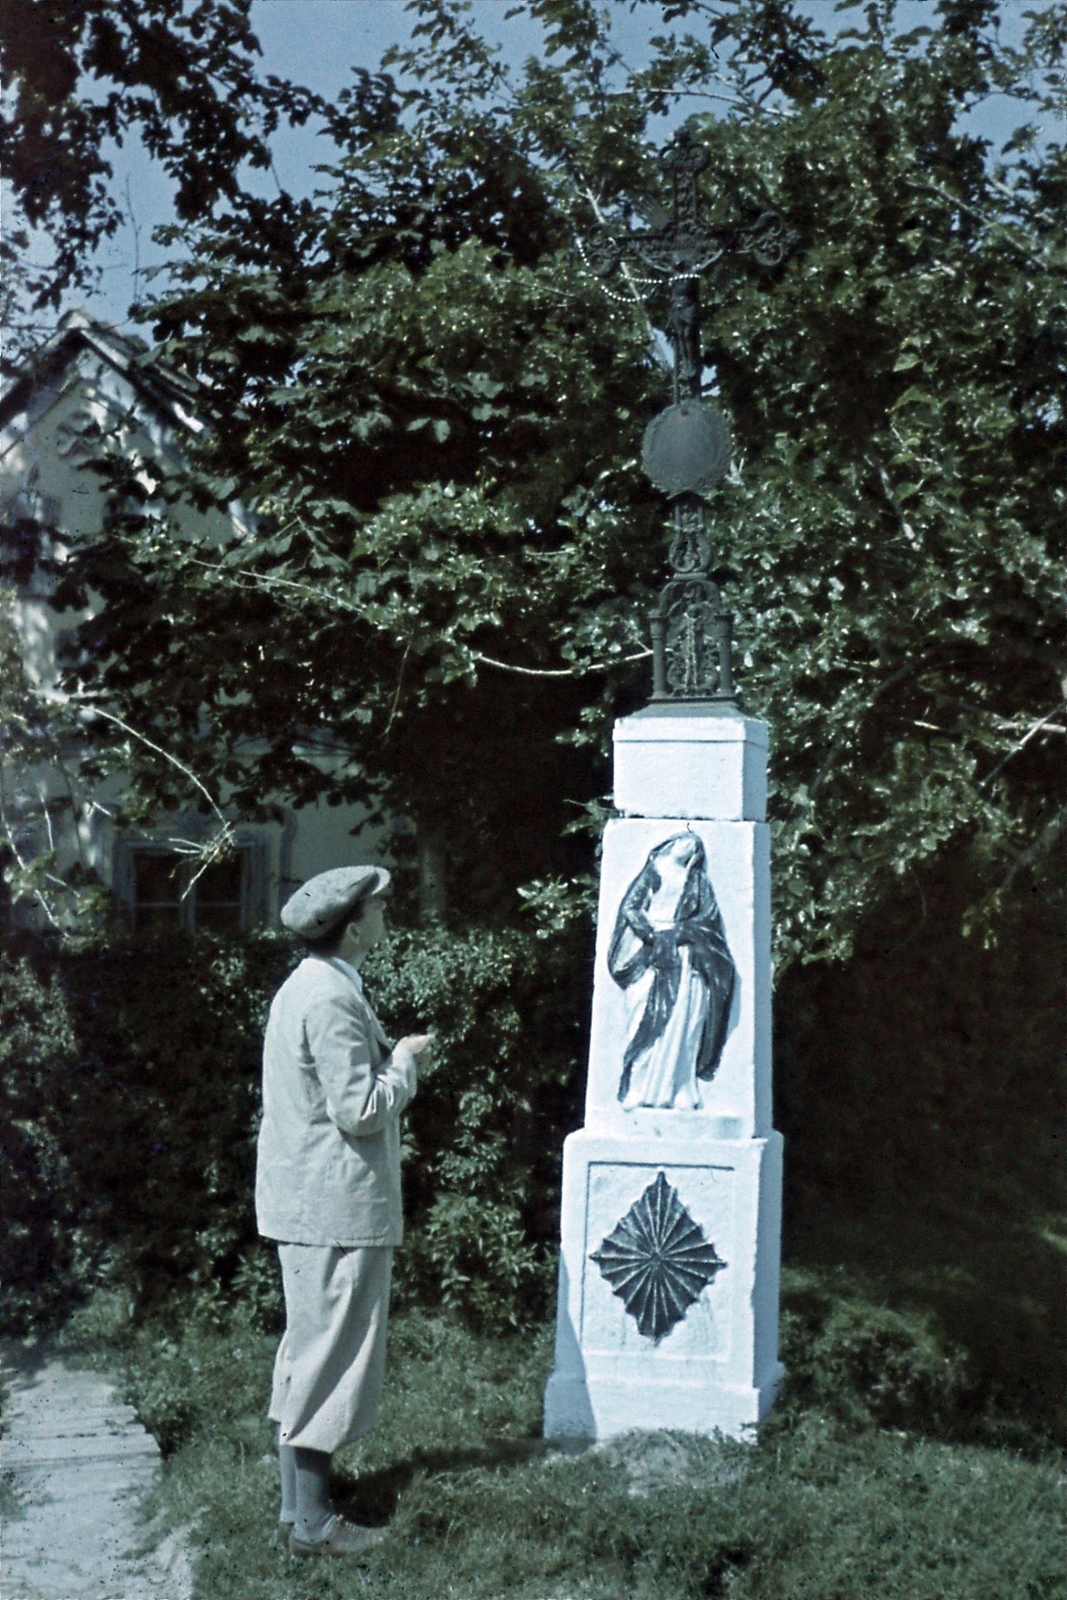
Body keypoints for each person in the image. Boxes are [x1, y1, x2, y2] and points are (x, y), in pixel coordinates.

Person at [255, 865, 433, 1558]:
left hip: (310, 1201)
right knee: (328, 1358)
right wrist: (406, 1064)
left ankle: (296, 1507)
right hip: (331, 1206)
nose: (387, 918)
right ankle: (311, 1527)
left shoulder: (313, 985)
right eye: (380, 910)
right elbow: (358, 1110)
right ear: (354, 927)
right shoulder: (328, 997)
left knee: (310, 1352)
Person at [608, 832, 735, 1109]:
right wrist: (651, 934)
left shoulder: (698, 882)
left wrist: (681, 933)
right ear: (671, 843)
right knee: (642, 1017)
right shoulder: (654, 869)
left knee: (684, 1023)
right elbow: (630, 907)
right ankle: (637, 1087)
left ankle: (679, 1089)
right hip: (651, 955)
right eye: (684, 841)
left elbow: (708, 918)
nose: (689, 848)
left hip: (685, 956)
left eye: (694, 847)